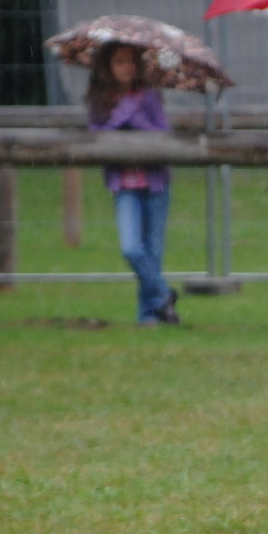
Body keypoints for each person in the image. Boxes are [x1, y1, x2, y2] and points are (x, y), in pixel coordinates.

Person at [86, 42, 178, 326]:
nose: (127, 67)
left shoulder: (148, 96)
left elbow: (163, 133)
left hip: (154, 183)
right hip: (124, 185)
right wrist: (118, 119)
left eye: (130, 61)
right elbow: (96, 135)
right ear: (108, 67)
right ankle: (163, 295)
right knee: (132, 249)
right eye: (119, 61)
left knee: (153, 251)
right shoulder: (101, 100)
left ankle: (149, 314)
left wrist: (138, 120)